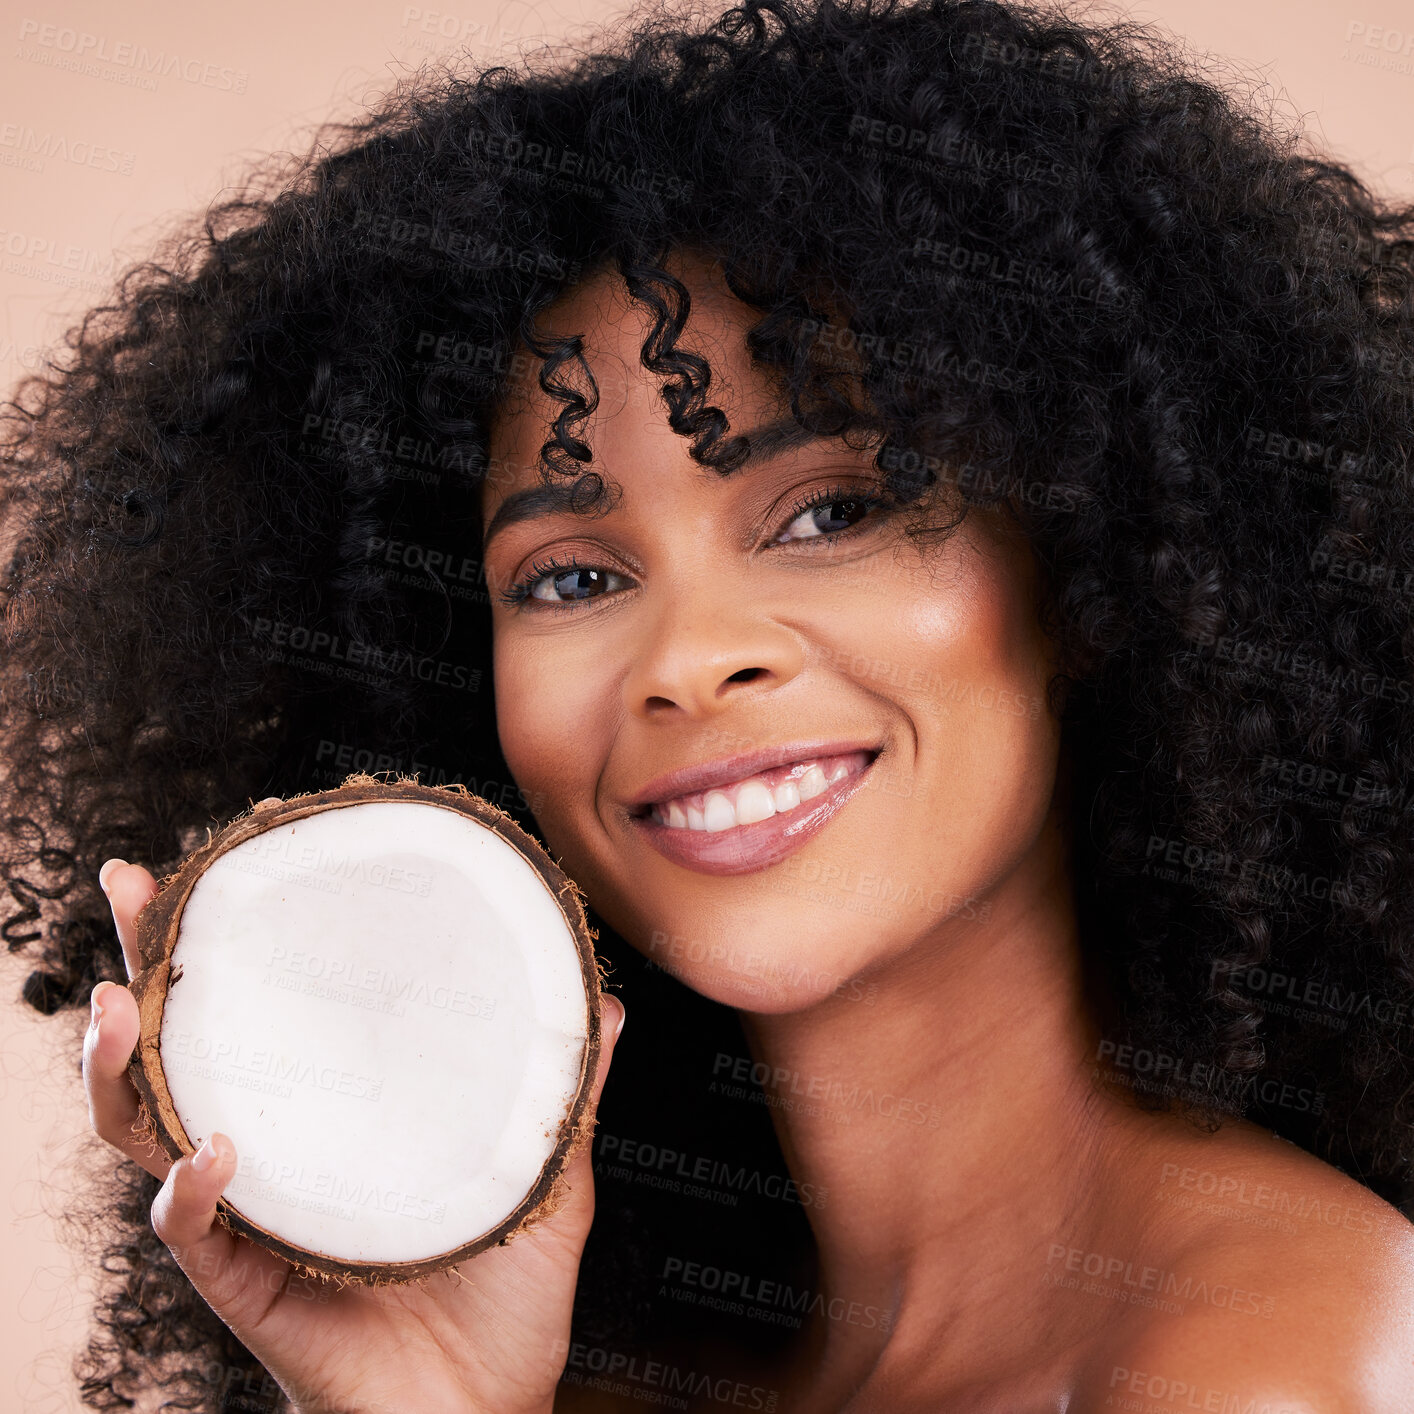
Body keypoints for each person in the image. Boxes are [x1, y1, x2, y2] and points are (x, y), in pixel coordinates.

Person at [5, 0, 1414, 1408]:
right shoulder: (620, 1366)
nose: (688, 657)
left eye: (832, 510)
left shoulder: (1265, 1363)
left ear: (1100, 572)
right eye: (567, 579)